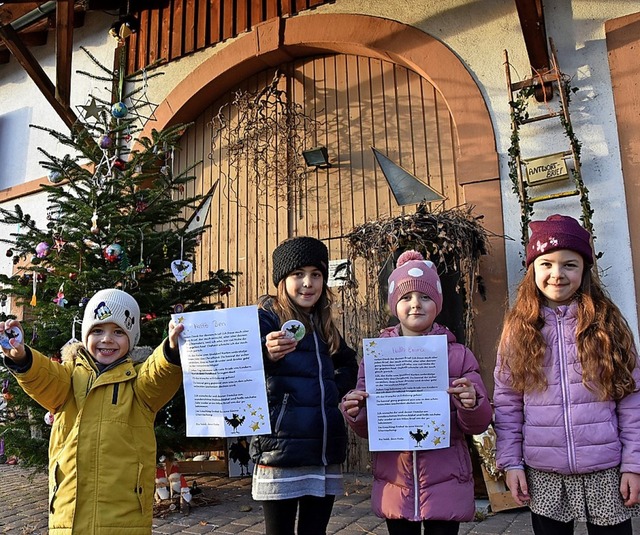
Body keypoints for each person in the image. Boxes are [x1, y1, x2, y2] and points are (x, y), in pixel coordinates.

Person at [493, 214, 640, 535]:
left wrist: (634, 464)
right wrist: (511, 462)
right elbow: (506, 404)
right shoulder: (518, 331)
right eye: (546, 264)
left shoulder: (608, 326)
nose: (557, 274)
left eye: (569, 264)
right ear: (533, 270)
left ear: (585, 270)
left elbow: (632, 400)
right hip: (544, 472)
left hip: (606, 469)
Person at [0, 288, 184, 534]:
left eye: (118, 332)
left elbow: (158, 375)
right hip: (69, 513)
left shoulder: (138, 382)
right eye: (97, 330)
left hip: (124, 517)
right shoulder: (69, 378)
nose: (107, 339)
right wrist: (22, 357)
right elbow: (44, 377)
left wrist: (170, 352)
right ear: (85, 335)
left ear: (132, 338)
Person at [341, 250, 492, 535]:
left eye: (425, 297)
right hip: (395, 482)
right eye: (405, 297)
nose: (415, 305)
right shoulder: (377, 358)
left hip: (447, 481)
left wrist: (471, 404)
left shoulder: (458, 356)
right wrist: (355, 411)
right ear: (393, 304)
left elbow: (478, 423)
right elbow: (366, 427)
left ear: (437, 303)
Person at [250, 236, 358, 535]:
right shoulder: (267, 318)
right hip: (281, 450)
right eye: (298, 274)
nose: (308, 283)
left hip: (322, 450)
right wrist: (265, 353)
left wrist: (333, 389)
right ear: (282, 280)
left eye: (316, 274)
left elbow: (349, 363)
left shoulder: (324, 326)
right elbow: (241, 365)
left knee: (315, 531)